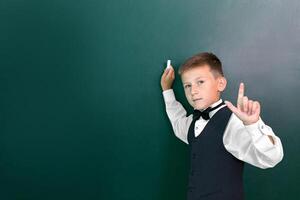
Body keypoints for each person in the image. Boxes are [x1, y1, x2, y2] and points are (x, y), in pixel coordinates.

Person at [160, 52, 284, 200]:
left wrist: (253, 124)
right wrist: (167, 90)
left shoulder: (233, 123)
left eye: (200, 82)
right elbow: (177, 121)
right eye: (187, 86)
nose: (193, 91)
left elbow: (272, 158)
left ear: (220, 84)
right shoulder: (192, 123)